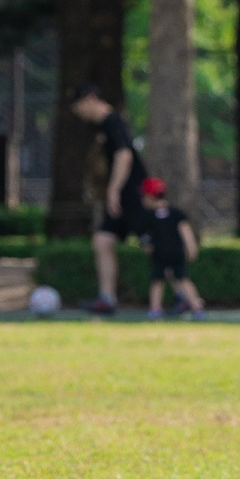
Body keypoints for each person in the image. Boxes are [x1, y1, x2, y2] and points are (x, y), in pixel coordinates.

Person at [71, 83, 148, 314]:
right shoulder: (104, 126)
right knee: (103, 240)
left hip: (133, 194)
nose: (81, 114)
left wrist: (114, 190)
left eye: (80, 108)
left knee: (155, 244)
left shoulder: (113, 121)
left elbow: (124, 155)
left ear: (90, 99)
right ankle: (107, 299)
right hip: (121, 196)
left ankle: (187, 297)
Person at [138, 177, 207, 321]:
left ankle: (155, 309)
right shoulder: (176, 213)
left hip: (159, 254)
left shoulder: (148, 216)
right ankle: (196, 307)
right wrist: (191, 247)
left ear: (150, 197)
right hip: (176, 253)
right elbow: (185, 231)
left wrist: (146, 246)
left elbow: (145, 237)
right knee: (182, 279)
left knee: (158, 281)